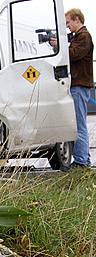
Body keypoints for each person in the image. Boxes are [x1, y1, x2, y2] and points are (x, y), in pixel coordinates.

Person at [50, 8, 93, 168]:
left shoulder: (84, 37)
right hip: (78, 85)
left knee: (79, 124)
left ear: (77, 19)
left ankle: (81, 161)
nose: (67, 26)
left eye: (68, 22)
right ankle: (84, 159)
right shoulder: (79, 37)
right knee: (78, 123)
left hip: (80, 86)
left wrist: (59, 46)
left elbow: (73, 54)